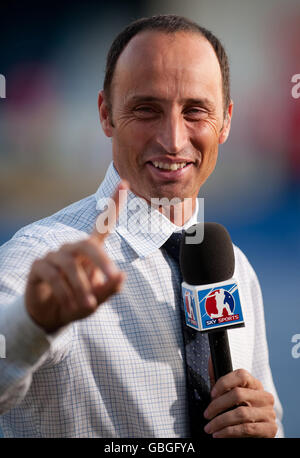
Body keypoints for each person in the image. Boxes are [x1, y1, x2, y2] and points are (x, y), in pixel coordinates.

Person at [0, 14, 283, 438]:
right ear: (106, 114)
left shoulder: (235, 269)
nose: (172, 139)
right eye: (146, 109)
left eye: (195, 111)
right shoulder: (45, 257)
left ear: (225, 121)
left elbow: (269, 420)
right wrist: (33, 321)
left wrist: (266, 430)